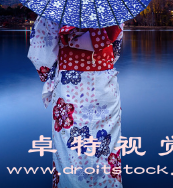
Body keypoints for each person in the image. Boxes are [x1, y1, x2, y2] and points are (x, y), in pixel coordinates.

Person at [28, 16, 124, 188]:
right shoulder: (111, 7)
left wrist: (52, 71)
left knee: (69, 152)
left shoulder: (57, 6)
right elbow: (115, 49)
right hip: (105, 86)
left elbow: (40, 51)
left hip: (70, 87)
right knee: (106, 149)